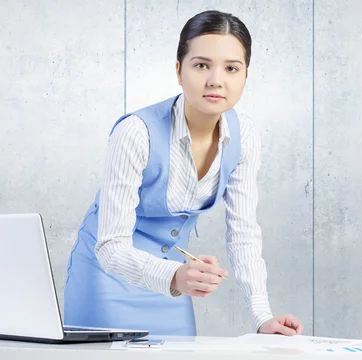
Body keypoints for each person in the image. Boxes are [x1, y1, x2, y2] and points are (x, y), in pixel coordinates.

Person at [63, 10, 303, 337]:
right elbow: (110, 248)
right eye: (201, 65)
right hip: (108, 280)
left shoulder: (244, 135)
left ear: (246, 75)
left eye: (232, 68)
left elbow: (244, 231)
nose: (216, 80)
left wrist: (262, 317)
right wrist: (175, 276)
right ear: (179, 70)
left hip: (173, 287)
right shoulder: (136, 132)